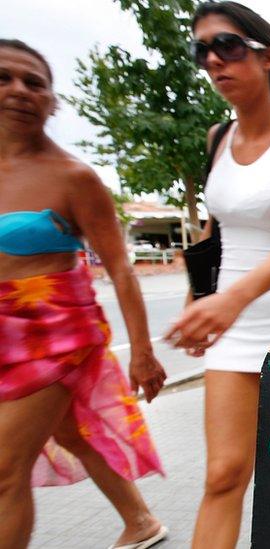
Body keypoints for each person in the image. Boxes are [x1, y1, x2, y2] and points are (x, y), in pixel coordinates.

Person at [164, 3, 270, 546]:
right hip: (234, 326)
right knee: (223, 476)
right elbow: (216, 235)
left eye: (228, 46)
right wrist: (198, 302)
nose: (214, 60)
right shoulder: (217, 139)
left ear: (267, 57)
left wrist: (228, 301)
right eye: (203, 51)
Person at [0, 39, 168, 549]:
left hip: (54, 336)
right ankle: (140, 522)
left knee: (5, 471)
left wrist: (142, 352)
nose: (18, 91)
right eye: (3, 78)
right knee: (72, 432)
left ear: (53, 101)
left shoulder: (73, 177)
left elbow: (121, 268)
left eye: (34, 82)